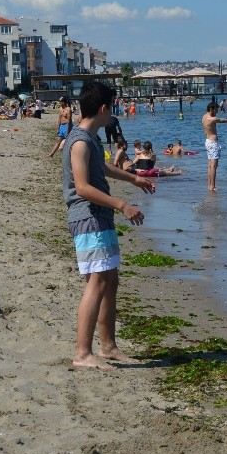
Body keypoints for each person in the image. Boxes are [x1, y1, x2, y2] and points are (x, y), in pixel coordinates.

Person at [63, 81, 155, 370]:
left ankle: (108, 346)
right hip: (88, 217)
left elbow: (102, 169)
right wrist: (122, 204)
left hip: (99, 217)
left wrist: (134, 179)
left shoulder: (91, 139)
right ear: (103, 109)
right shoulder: (78, 141)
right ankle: (82, 353)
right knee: (97, 282)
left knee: (109, 280)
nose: (112, 114)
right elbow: (81, 187)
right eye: (112, 108)